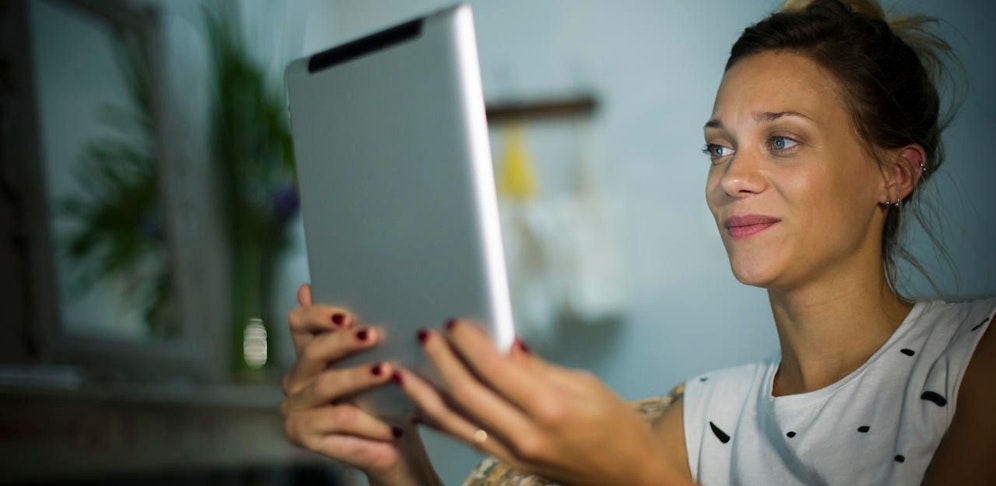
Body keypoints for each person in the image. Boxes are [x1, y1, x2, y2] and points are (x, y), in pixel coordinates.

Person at [279, 0, 996, 484]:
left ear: (893, 173)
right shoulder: (705, 419)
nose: (733, 178)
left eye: (781, 141)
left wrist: (632, 473)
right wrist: (391, 456)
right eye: (718, 149)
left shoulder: (977, 359)